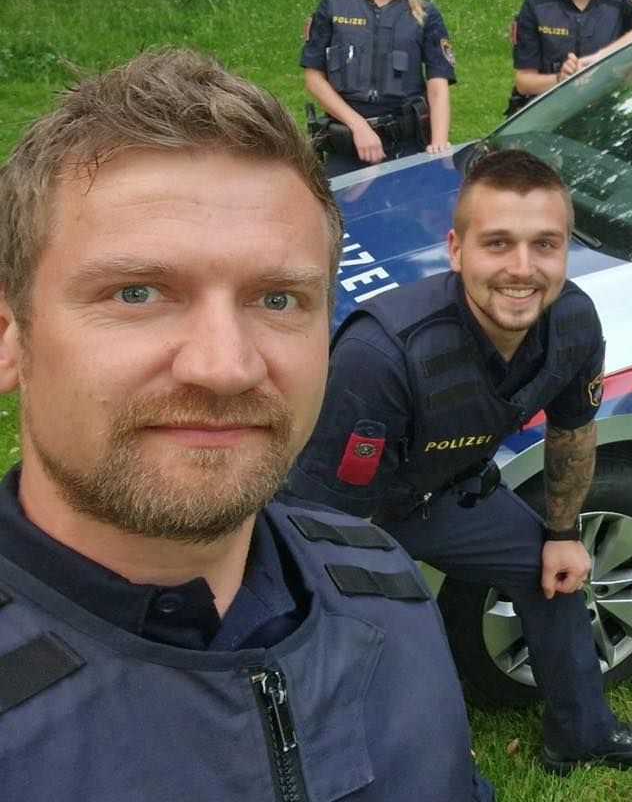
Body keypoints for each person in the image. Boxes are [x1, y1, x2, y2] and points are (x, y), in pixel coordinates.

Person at [0, 49, 490, 800]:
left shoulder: (386, 588)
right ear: (11, 333)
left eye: (277, 300)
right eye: (137, 292)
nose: (225, 367)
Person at [284, 148, 632, 775]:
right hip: (347, 515)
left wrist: (561, 535)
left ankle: (581, 733)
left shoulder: (573, 321)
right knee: (376, 638)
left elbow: (573, 433)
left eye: (544, 245)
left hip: (447, 494)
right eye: (498, 244)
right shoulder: (383, 354)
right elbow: (321, 519)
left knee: (550, 574)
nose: (522, 269)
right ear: (456, 250)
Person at [301, 0, 456, 176]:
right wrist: (359, 126)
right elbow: (314, 78)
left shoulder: (427, 14)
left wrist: (439, 144)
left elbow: (438, 85)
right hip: (346, 144)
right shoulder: (335, 2)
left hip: (406, 144)